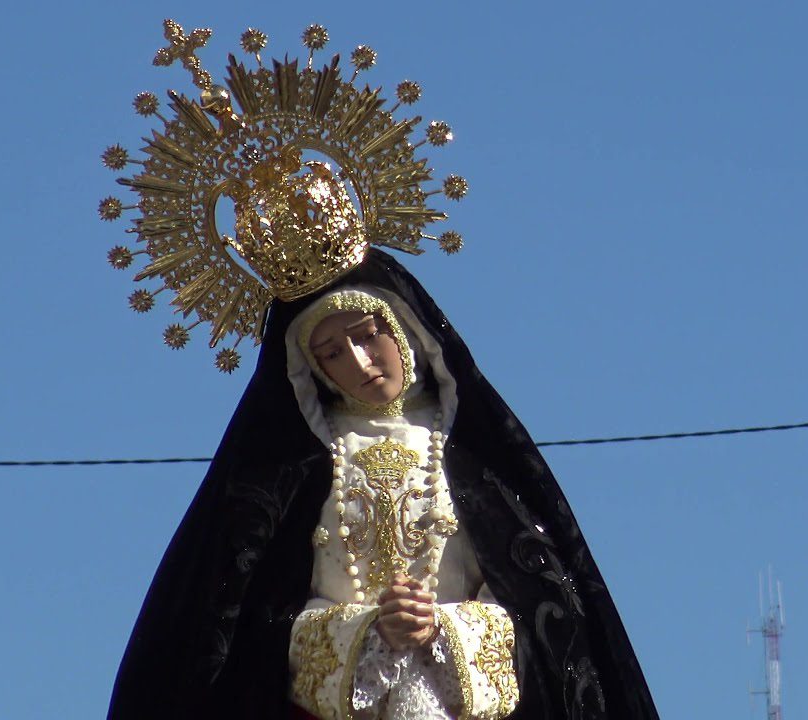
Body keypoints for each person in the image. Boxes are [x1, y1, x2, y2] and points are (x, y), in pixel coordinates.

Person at [107, 250, 661, 719]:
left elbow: (537, 600)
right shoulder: (292, 473)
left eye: (367, 335)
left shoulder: (472, 456)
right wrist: (366, 633)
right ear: (312, 368)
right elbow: (251, 620)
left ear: (403, 329)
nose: (359, 361)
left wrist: (443, 627)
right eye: (331, 353)